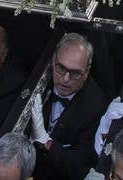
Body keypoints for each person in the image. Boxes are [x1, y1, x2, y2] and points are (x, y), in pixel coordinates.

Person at [30, 33, 106, 180]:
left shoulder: (96, 107)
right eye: (61, 68)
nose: (65, 79)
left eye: (75, 73)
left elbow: (80, 166)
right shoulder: (38, 78)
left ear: (87, 72)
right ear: (53, 61)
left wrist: (47, 142)